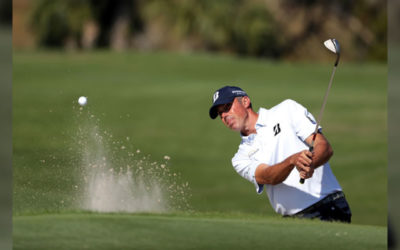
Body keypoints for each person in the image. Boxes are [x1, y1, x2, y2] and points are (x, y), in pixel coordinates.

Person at [209, 85, 351, 223]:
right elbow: (267, 177)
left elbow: (324, 146)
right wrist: (292, 161)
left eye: (227, 107)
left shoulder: (286, 110)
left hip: (328, 207)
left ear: (245, 101)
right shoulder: (240, 158)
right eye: (220, 114)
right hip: (291, 222)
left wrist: (311, 163)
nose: (224, 116)